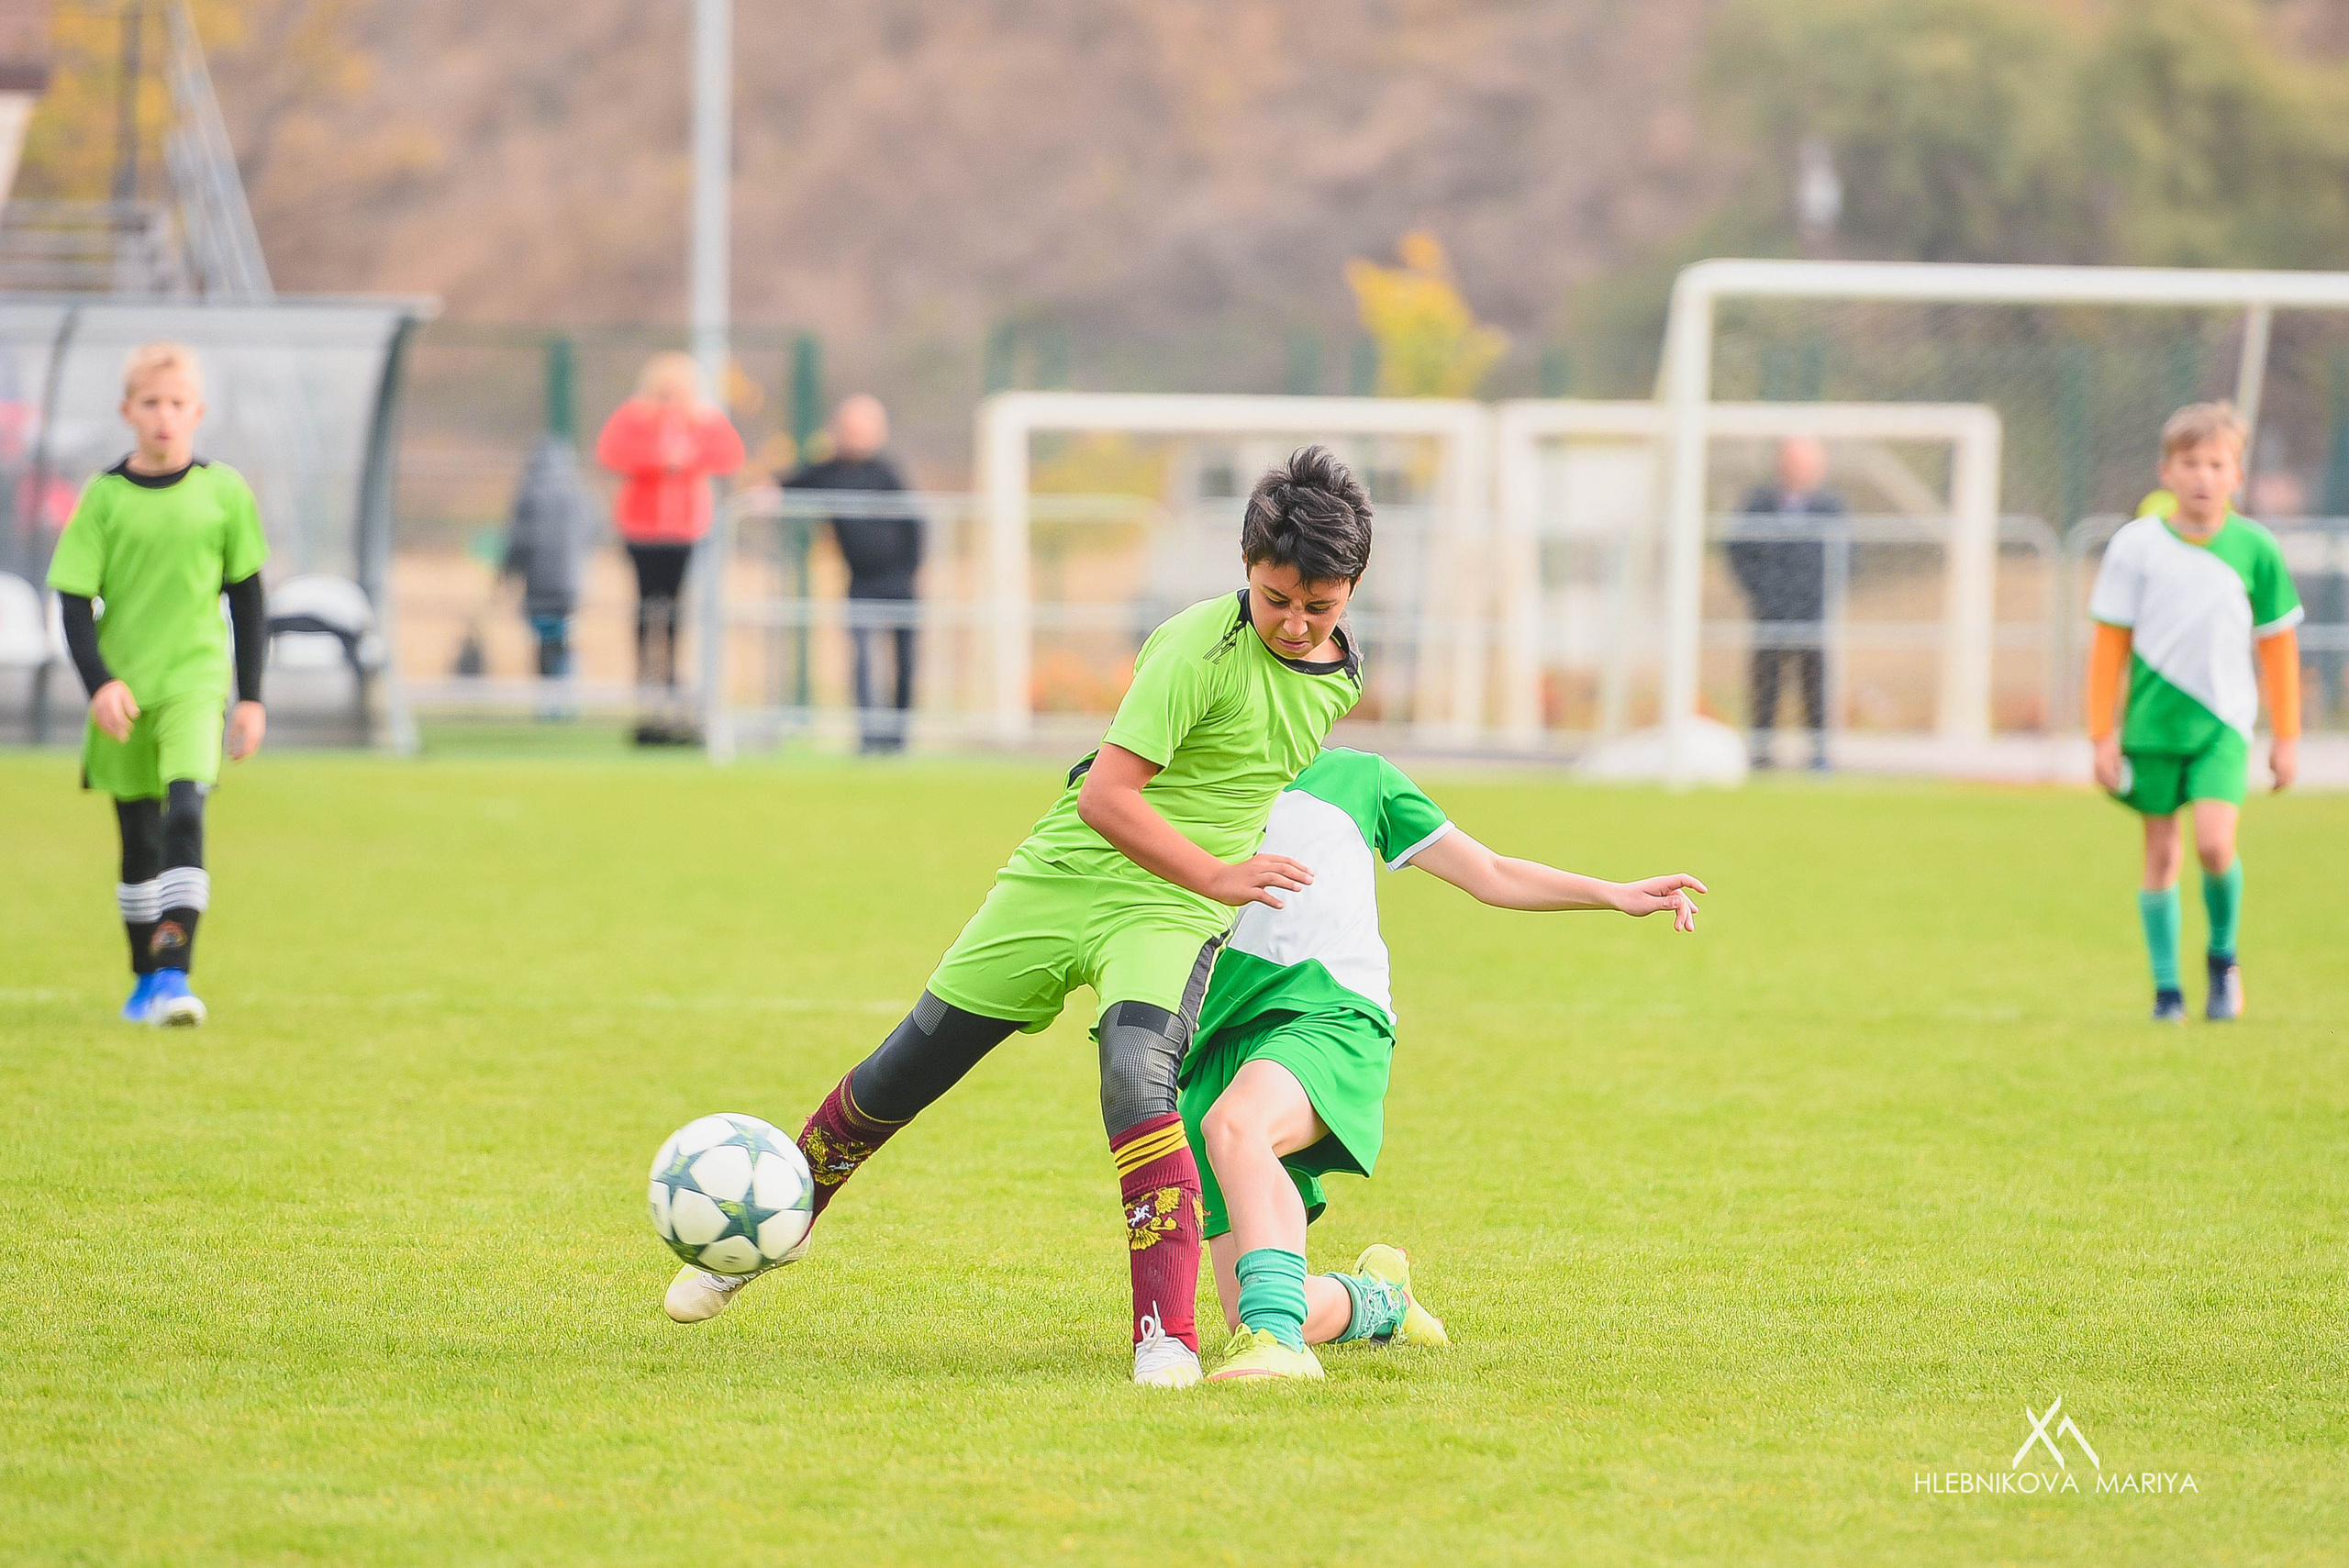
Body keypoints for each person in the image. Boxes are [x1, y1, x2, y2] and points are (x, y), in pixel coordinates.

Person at [662, 446, 1375, 1390]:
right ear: (1246, 568)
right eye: (1275, 596)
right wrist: (1220, 869)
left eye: (1315, 606)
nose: (1292, 622)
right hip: (1068, 877)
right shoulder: (1194, 647)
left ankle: (1164, 1333)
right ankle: (753, 1238)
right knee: (899, 1072)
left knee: (1136, 1075)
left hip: (1168, 907)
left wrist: (1208, 881)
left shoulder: (1338, 672)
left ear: (1350, 591)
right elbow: (1107, 800)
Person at [1182, 746, 1706, 1381]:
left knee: (1235, 1126)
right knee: (1247, 1314)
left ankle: (1280, 1350)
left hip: (1330, 1012)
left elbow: (1489, 870)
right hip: (1222, 1033)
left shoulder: (1360, 777)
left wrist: (1612, 893)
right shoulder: (1190, 778)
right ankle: (1380, 1300)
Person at [45, 341, 268, 1028]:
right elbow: (75, 601)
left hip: (195, 684)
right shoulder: (104, 498)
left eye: (177, 404)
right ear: (127, 412)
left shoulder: (224, 492)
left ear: (198, 411)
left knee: (186, 812)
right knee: (139, 841)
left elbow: (250, 597)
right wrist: (99, 684)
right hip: (125, 691)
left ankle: (175, 974)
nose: (164, 417)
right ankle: (144, 982)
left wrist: (252, 695)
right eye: (151, 403)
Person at [2087, 402, 2301, 1024]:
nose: (2203, 475)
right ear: (2166, 471)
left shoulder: (2256, 549)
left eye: (2216, 463)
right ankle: (2166, 992)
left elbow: (2279, 649)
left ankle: (2223, 959)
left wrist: (2286, 736)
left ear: (2237, 474)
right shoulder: (2136, 547)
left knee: (2213, 843)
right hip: (2152, 727)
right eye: (2190, 463)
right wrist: (2101, 735)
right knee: (2160, 853)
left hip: (2223, 725)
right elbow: (2108, 649)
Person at [595, 352, 745, 744]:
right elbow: (611, 453)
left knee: (677, 603)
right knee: (646, 601)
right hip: (642, 527)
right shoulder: (635, 416)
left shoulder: (703, 417)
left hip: (686, 527)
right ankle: (645, 672)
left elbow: (730, 456)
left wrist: (690, 459)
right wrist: (656, 461)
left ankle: (673, 672)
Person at [782, 395, 922, 752]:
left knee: (904, 663)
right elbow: (785, 486)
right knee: (861, 659)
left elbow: (916, 525)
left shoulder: (889, 472)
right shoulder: (827, 470)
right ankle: (868, 738)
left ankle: (898, 739)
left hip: (900, 581)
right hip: (861, 581)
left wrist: (914, 572)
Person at [1727, 437, 1844, 771]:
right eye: (1793, 461)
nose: (1799, 469)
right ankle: (1762, 754)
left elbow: (1845, 560)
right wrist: (1766, 594)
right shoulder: (1758, 505)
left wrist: (1815, 595)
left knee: (1815, 684)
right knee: (1766, 685)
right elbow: (1739, 554)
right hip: (1769, 613)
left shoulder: (1831, 507)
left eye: (1806, 462)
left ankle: (1818, 755)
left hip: (1813, 613)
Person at [502, 432, 600, 692]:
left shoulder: (528, 494)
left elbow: (517, 540)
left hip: (538, 582)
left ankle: (549, 690)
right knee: (563, 633)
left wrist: (505, 575)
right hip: (572, 582)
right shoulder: (582, 492)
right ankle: (566, 681)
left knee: (543, 637)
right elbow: (594, 532)